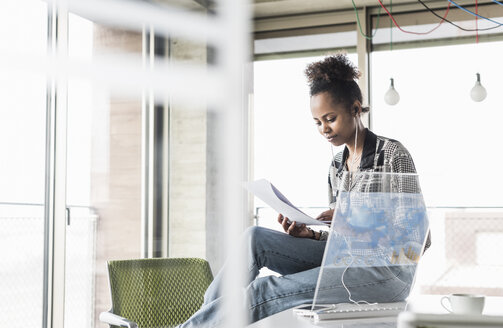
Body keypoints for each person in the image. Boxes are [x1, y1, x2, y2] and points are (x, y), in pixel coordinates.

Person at [178, 53, 429, 328]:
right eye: (318, 122)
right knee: (254, 238)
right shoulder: (337, 164)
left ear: (356, 109)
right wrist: (310, 234)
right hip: (346, 261)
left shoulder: (392, 155)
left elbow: (417, 240)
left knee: (264, 290)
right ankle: (203, 323)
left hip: (386, 273)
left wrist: (356, 218)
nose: (324, 129)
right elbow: (343, 239)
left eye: (330, 118)